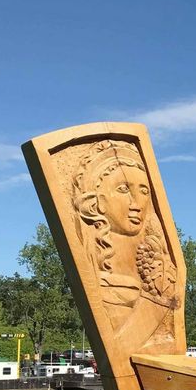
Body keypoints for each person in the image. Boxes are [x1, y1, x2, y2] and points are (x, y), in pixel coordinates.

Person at [72, 139, 177, 352]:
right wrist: (154, 302)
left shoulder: (161, 267)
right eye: (123, 189)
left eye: (144, 191)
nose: (136, 203)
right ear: (96, 202)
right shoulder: (98, 280)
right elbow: (120, 350)